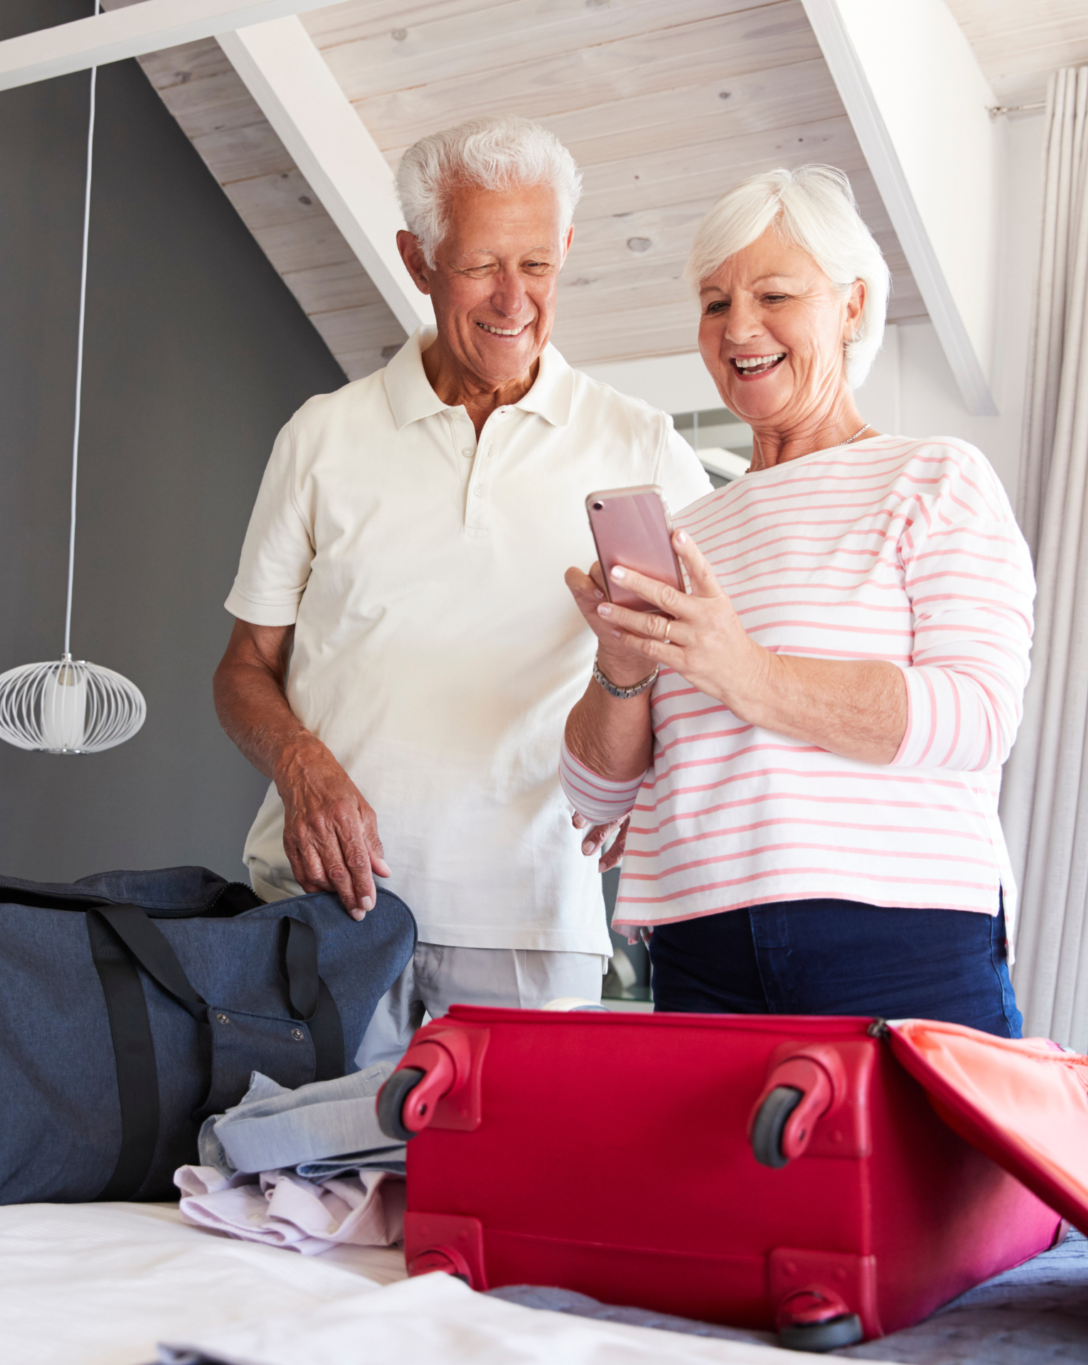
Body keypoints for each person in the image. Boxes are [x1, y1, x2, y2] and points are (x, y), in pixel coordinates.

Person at [213, 115, 713, 1060]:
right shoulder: (320, 436)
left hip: (529, 927)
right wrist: (300, 764)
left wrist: (654, 788)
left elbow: (715, 651)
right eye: (482, 264)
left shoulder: (640, 444)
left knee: (507, 1207)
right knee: (287, 1200)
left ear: (566, 248)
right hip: (320, 914)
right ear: (417, 258)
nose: (513, 299)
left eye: (537, 263)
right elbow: (243, 668)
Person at [557, 165, 1035, 1035]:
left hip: (900, 937)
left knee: (921, 1178)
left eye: (774, 293)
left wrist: (746, 671)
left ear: (852, 307)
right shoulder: (688, 529)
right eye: (714, 302)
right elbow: (595, 797)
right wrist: (622, 667)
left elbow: (977, 716)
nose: (740, 328)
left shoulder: (933, 478)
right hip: (699, 949)